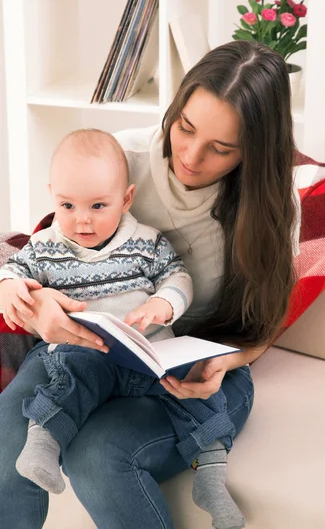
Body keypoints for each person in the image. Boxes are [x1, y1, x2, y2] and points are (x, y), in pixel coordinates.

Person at [0, 40, 300, 529]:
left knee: (97, 458)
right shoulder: (122, 158)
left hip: (193, 365)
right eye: (185, 127)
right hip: (86, 347)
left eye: (220, 149)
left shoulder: (270, 205)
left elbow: (262, 322)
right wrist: (40, 309)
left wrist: (228, 361)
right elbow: (46, 253)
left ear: (254, 150)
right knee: (8, 433)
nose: (190, 155)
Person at [0, 128, 245, 529]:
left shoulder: (146, 242)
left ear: (126, 199)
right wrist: (9, 287)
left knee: (194, 395)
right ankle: (42, 444)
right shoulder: (46, 245)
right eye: (67, 204)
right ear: (52, 195)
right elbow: (13, 271)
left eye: (98, 205)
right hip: (85, 353)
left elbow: (177, 277)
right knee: (68, 382)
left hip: (148, 355)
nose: (82, 219)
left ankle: (212, 478)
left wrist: (162, 304)